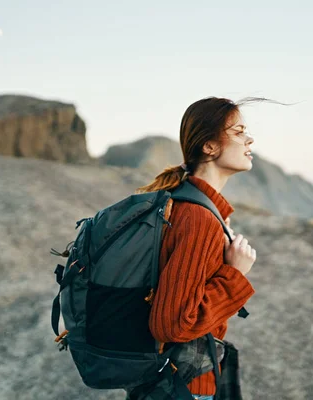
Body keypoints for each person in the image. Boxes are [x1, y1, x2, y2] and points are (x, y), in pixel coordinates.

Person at [131, 97, 262, 400]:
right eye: (239, 131)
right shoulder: (197, 217)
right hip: (184, 389)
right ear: (209, 147)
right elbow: (173, 325)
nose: (250, 138)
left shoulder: (190, 205)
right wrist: (234, 274)